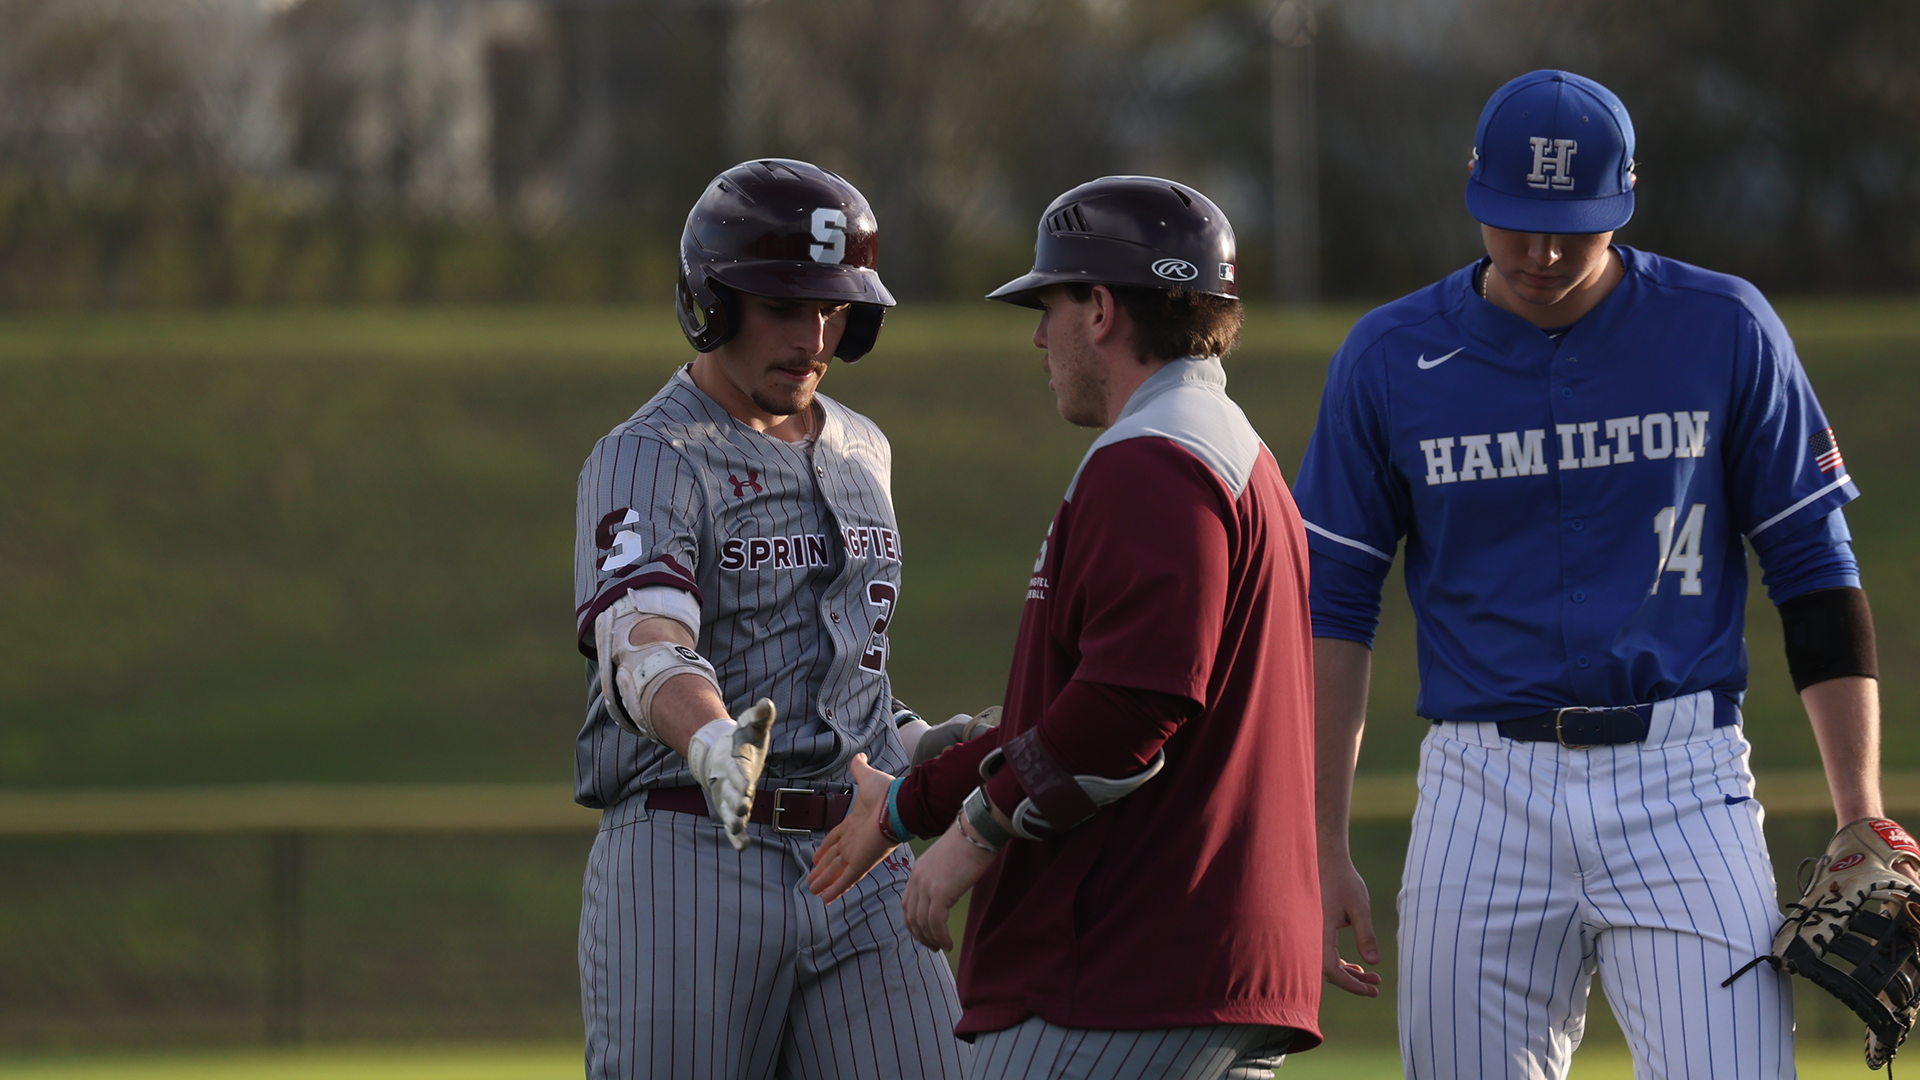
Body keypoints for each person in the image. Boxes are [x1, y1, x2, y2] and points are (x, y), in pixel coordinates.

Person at [1298, 70, 1889, 1080]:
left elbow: (1814, 569)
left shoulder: (1725, 328)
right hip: (1479, 784)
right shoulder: (1390, 356)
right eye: (1517, 220)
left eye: (1573, 225)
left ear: (1626, 197)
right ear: (1474, 188)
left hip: (1683, 779)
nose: (1540, 251)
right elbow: (1333, 606)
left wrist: (1859, 809)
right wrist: (1320, 837)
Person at [807, 176, 1322, 1079]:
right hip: (1202, 973)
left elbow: (1128, 712)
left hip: (1123, 969)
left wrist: (969, 835)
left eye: (1050, 304)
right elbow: (1070, 720)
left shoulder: (1154, 460)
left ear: (1101, 308)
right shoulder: (1236, 453)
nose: (1040, 337)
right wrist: (902, 804)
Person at [571, 157, 970, 1080]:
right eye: (786, 304)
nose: (815, 333)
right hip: (693, 848)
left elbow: (842, 678)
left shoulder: (866, 448)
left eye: (835, 308)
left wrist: (920, 741)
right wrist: (711, 739)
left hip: (861, 849)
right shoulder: (648, 454)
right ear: (714, 300)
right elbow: (641, 636)